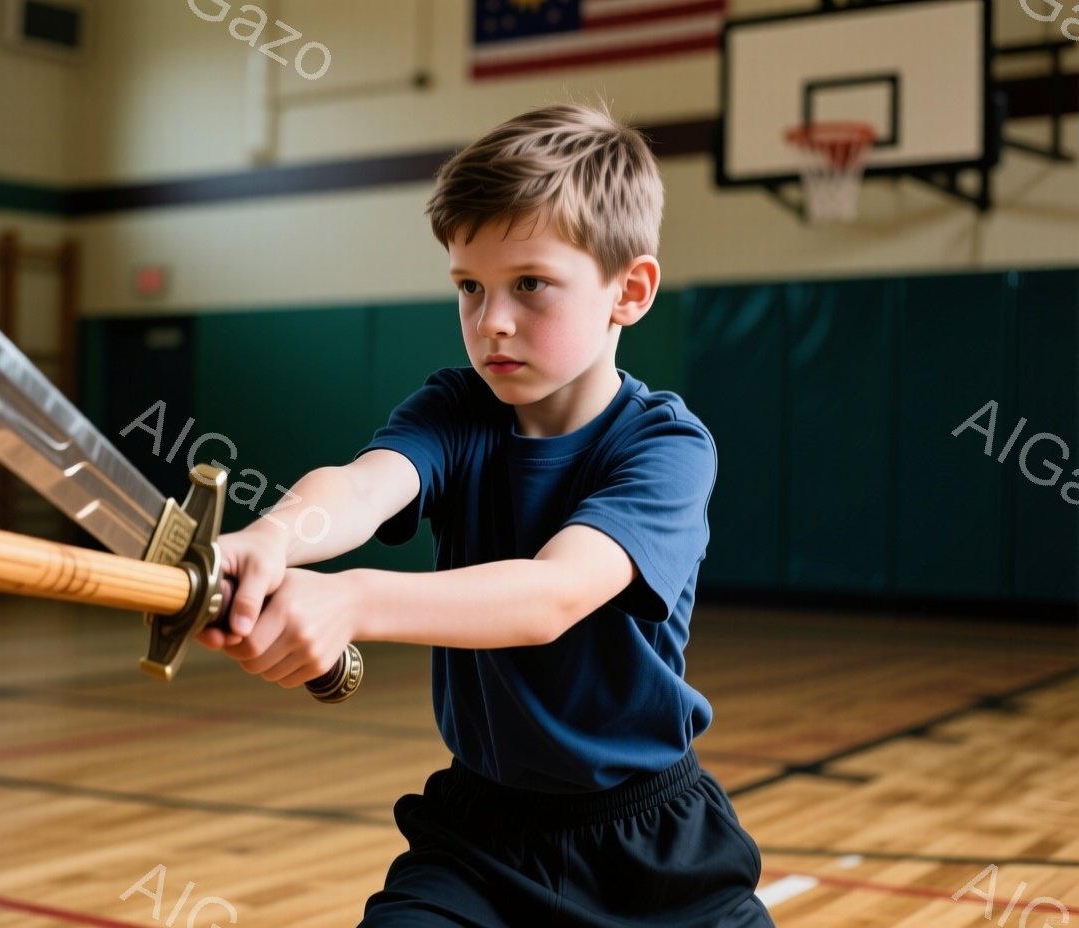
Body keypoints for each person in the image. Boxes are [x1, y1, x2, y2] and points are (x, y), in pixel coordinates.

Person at [195, 103, 773, 926]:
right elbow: (361, 488)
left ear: (630, 292)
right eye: (470, 287)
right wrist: (268, 539)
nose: (491, 321)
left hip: (654, 848)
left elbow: (551, 596)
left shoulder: (666, 447)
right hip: (481, 842)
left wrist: (351, 599)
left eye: (530, 284)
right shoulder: (455, 411)